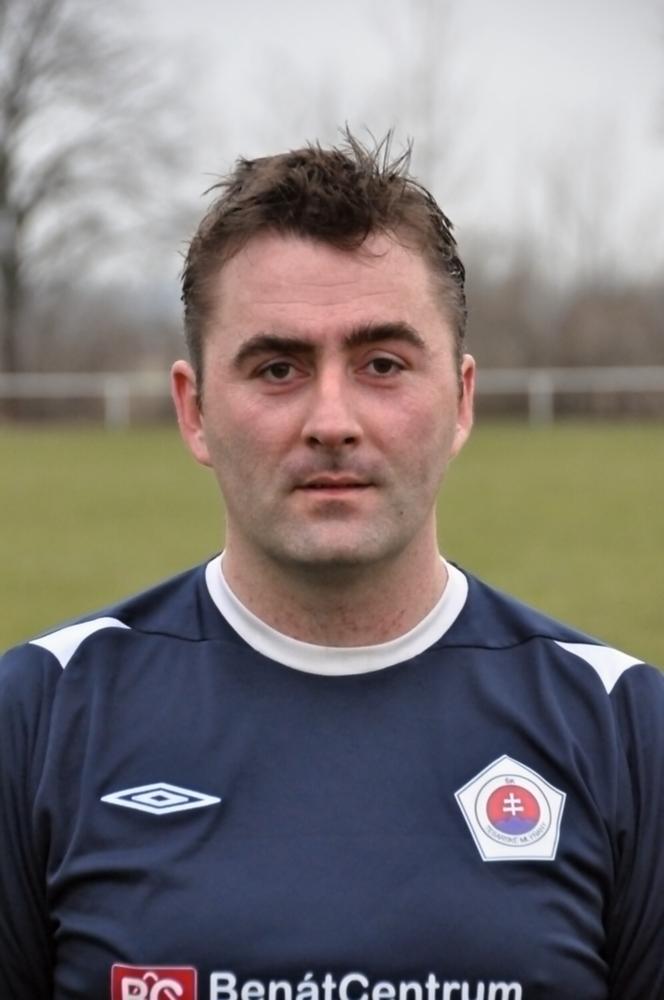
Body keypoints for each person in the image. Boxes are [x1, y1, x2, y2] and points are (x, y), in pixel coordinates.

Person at [1, 133, 663, 1000]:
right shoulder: (39, 717)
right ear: (195, 411)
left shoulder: (625, 729)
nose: (332, 421)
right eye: (278, 368)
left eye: (382, 364)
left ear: (461, 399)